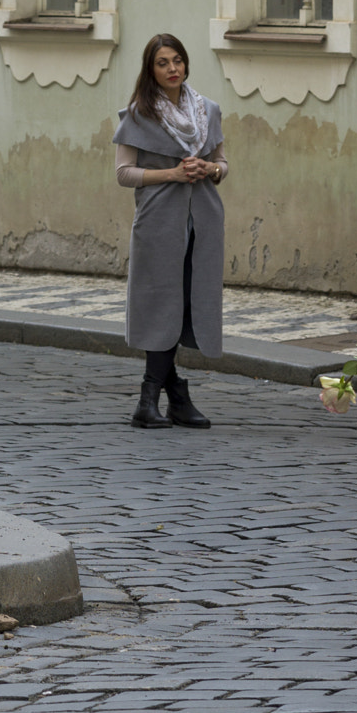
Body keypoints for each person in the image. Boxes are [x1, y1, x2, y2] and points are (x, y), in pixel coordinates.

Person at [114, 34, 227, 430]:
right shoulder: (137, 114)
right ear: (151, 70)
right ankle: (158, 396)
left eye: (177, 60)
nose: (173, 69)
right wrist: (174, 173)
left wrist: (209, 170)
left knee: (187, 304)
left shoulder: (207, 110)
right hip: (158, 220)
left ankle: (166, 396)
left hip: (203, 219)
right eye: (163, 63)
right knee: (160, 303)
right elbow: (124, 174)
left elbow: (222, 163)